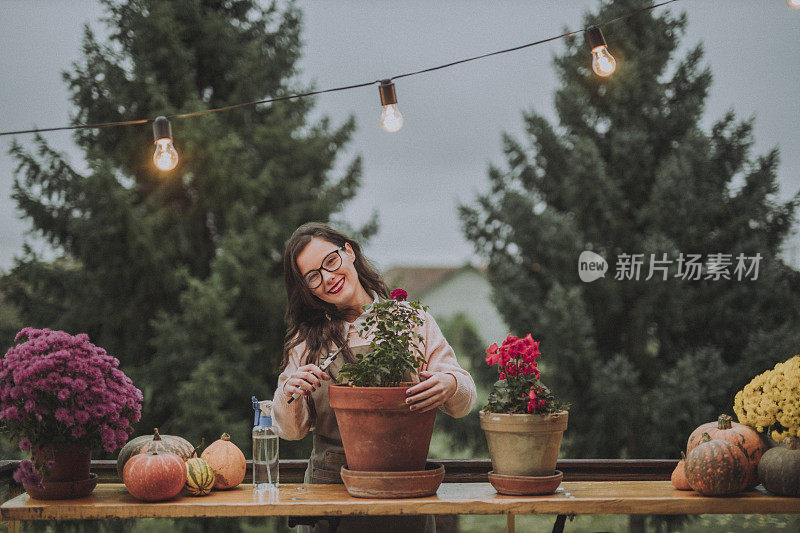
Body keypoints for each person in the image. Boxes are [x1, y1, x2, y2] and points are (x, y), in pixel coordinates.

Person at [272, 222, 477, 533]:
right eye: (313, 276)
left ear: (349, 252)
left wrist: (450, 384)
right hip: (329, 494)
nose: (328, 277)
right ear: (306, 288)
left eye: (331, 261)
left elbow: (463, 403)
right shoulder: (307, 340)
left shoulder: (411, 320)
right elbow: (289, 430)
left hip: (405, 491)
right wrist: (291, 389)